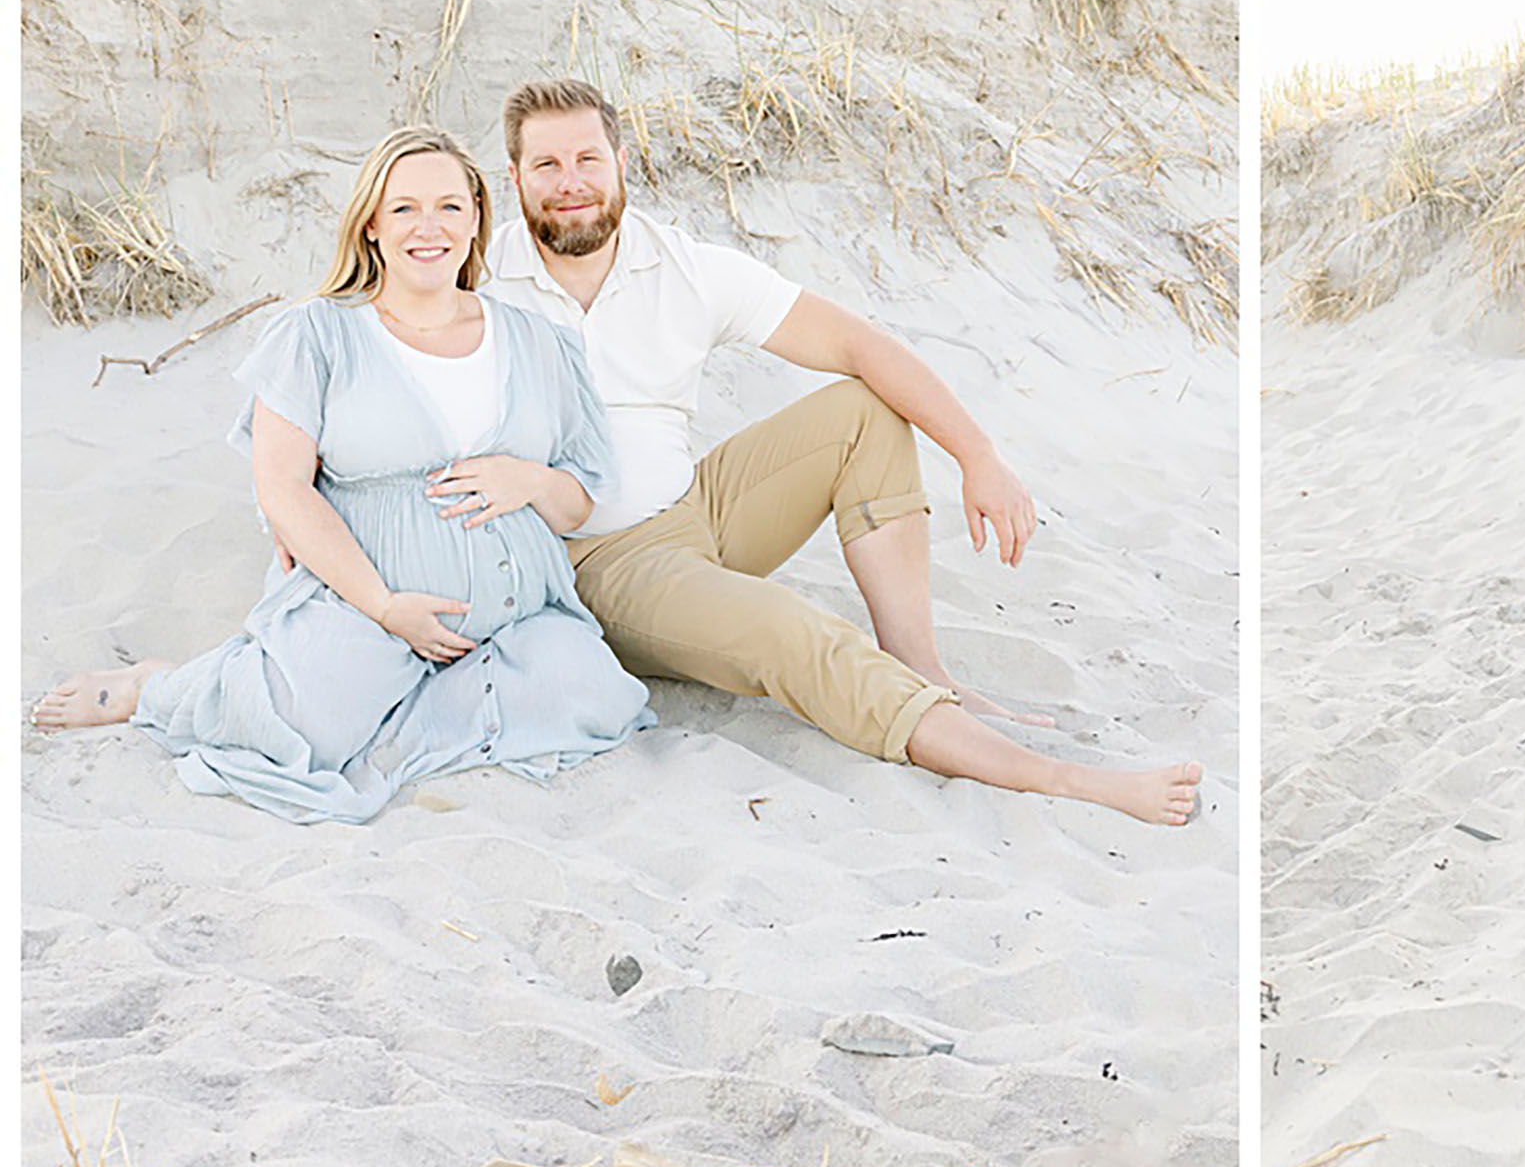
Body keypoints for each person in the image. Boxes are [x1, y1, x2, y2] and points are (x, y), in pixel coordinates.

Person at [480, 79, 1203, 828]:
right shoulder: (484, 280)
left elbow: (860, 342)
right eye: (547, 166)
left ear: (623, 161)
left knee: (864, 408)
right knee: (789, 630)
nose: (571, 184)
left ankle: (920, 666)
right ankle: (1051, 776)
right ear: (515, 178)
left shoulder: (684, 268)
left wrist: (978, 456)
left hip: (696, 507)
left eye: (588, 159)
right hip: (605, 558)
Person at [32, 128, 654, 821]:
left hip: (514, 620)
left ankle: (389, 725)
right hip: (366, 605)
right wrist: (388, 606)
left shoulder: (539, 341)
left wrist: (529, 479)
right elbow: (284, 488)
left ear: (478, 216)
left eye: (451, 206)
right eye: (405, 209)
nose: (430, 227)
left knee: (595, 695)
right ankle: (154, 687)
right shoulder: (319, 334)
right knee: (301, 726)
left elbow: (576, 501)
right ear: (371, 226)